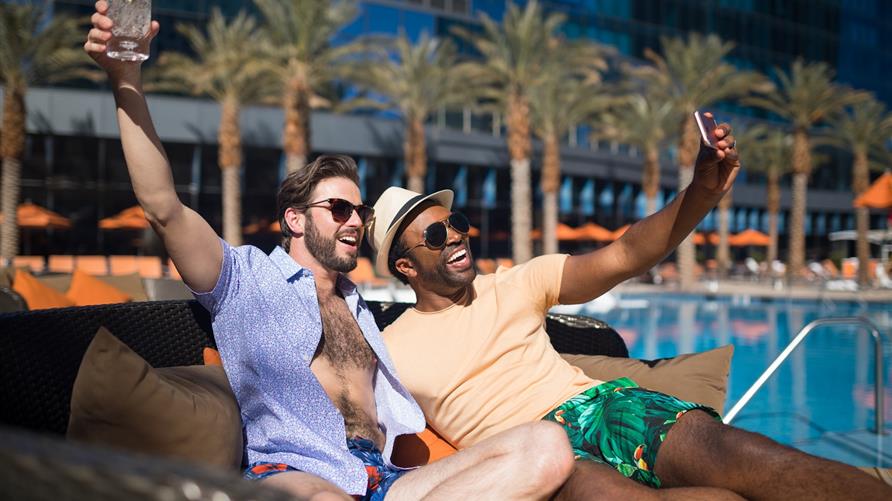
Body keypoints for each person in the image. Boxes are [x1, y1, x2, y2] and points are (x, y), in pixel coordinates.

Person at [84, 3, 575, 500]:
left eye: (359, 210)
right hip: (297, 473)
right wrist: (126, 80)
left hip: (381, 478)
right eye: (338, 208)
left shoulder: (360, 308)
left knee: (546, 445)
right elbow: (162, 207)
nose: (355, 220)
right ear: (295, 220)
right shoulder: (244, 280)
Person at [369, 121, 892, 499]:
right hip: (536, 454)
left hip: (601, 407)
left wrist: (701, 192)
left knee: (740, 454)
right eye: (436, 235)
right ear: (405, 266)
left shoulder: (517, 283)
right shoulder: (391, 350)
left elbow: (625, 253)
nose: (457, 235)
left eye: (456, 220)